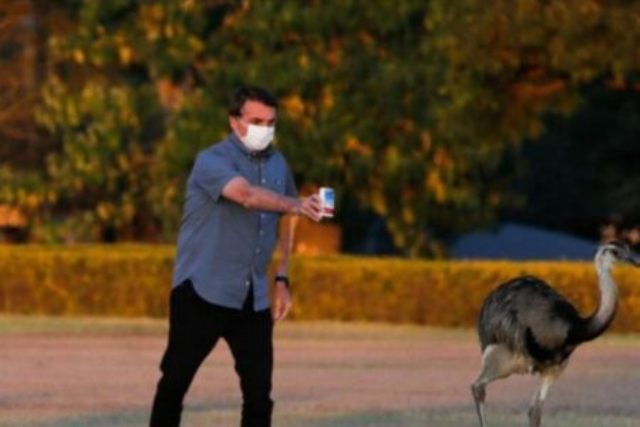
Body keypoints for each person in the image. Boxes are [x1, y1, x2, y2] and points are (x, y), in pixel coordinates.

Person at [150, 85, 323, 427]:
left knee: (259, 395)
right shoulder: (211, 160)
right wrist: (296, 204)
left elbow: (288, 217)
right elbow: (245, 196)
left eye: (270, 123)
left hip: (252, 296)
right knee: (175, 383)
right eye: (256, 121)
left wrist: (282, 277)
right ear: (234, 121)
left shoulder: (278, 163)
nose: (265, 130)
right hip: (202, 291)